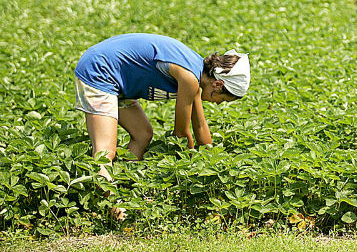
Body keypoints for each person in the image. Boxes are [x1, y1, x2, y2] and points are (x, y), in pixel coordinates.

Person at [74, 33, 250, 182]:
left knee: (142, 135)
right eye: (223, 100)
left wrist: (212, 164)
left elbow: (200, 126)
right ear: (218, 84)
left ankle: (124, 182)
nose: (218, 104)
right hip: (100, 71)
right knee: (105, 152)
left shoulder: (197, 75)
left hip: (119, 83)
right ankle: (112, 207)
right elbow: (181, 134)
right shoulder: (189, 78)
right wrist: (190, 168)